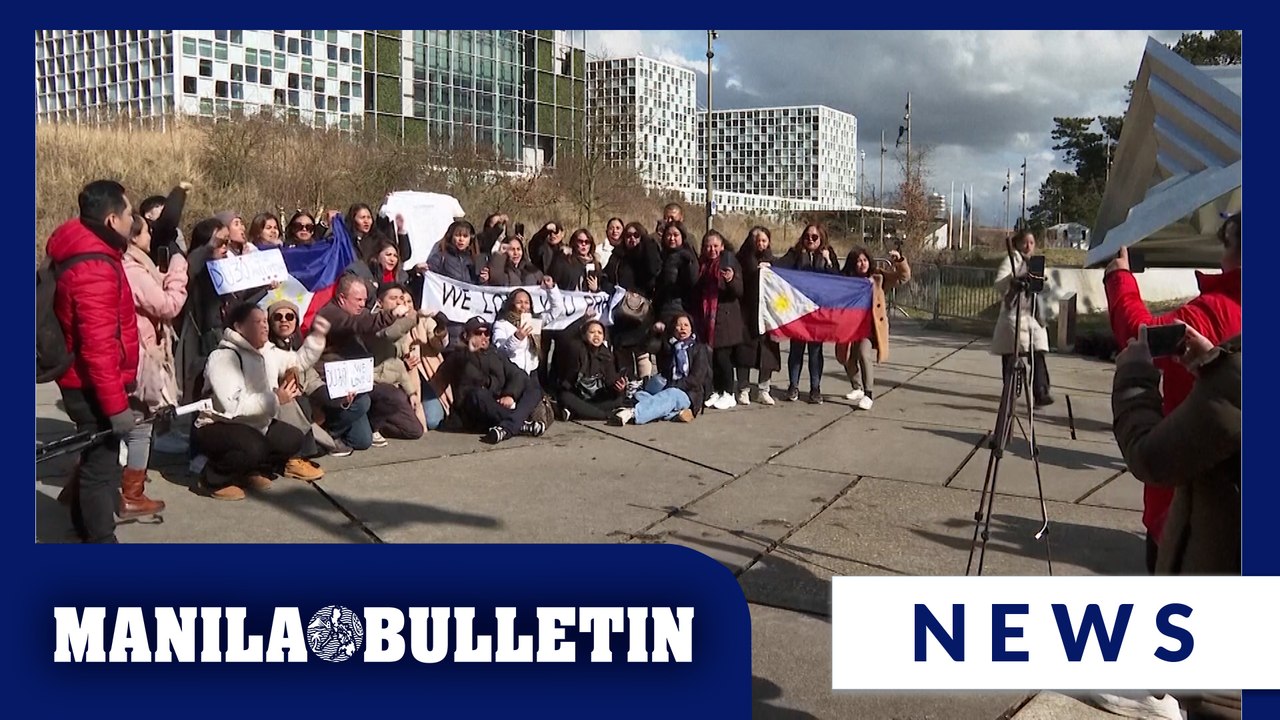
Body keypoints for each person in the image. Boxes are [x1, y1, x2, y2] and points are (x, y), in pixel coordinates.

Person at [1104, 212, 1242, 575]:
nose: (1220, 257)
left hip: (1194, 515)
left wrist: (1120, 278)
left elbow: (1142, 335)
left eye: (1227, 245)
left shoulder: (1213, 311)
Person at [47, 179, 140, 543]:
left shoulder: (83, 247)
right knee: (101, 469)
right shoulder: (95, 266)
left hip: (82, 381)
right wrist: (117, 407)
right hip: (91, 385)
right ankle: (101, 542)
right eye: (130, 214)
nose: (134, 221)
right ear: (112, 219)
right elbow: (98, 346)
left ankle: (81, 524)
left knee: (91, 458)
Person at [193, 303, 327, 499]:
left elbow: (297, 362)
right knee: (254, 447)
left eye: (265, 320)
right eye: (257, 322)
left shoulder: (267, 352)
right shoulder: (223, 357)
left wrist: (316, 339)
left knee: (291, 438)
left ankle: (247, 472)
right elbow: (233, 406)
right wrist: (275, 399)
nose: (265, 325)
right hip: (218, 425)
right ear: (239, 327)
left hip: (253, 425)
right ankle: (212, 479)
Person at [311, 275, 412, 453]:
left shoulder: (356, 311)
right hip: (329, 380)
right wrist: (391, 314)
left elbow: (378, 327)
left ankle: (359, 425)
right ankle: (327, 434)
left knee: (362, 440)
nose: (362, 305)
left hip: (356, 380)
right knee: (363, 402)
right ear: (342, 298)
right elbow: (358, 324)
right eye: (358, 300)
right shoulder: (330, 314)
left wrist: (412, 317)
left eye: (365, 300)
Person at [437, 316, 546, 444]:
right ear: (466, 335)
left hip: (500, 403)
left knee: (533, 387)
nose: (484, 337)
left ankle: (509, 426)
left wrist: (510, 394)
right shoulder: (459, 356)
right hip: (474, 411)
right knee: (478, 394)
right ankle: (519, 423)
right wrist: (469, 351)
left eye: (487, 333)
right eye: (478, 333)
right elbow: (473, 378)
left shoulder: (495, 353)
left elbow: (518, 375)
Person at [836, 246, 911, 411]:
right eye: (857, 261)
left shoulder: (878, 277)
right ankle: (857, 387)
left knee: (864, 354)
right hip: (849, 326)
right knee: (846, 357)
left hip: (869, 328)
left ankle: (868, 394)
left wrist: (899, 261)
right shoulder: (846, 279)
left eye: (864, 260)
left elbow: (903, 277)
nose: (861, 264)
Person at [777, 223, 840, 403]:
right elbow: (780, 265)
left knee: (815, 351)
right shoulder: (796, 253)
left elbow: (837, 278)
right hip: (799, 311)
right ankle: (793, 386)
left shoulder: (829, 254)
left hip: (818, 311)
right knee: (796, 349)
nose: (810, 240)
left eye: (814, 237)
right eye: (807, 237)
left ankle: (815, 388)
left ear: (821, 238)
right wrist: (768, 265)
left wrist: (828, 261)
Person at [610, 312, 710, 426]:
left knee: (671, 394)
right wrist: (654, 333)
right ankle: (675, 414)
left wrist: (673, 385)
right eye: (679, 325)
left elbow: (696, 379)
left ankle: (632, 413)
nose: (682, 328)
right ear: (673, 329)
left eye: (686, 325)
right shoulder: (670, 347)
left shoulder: (699, 349)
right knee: (641, 396)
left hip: (688, 393)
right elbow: (648, 347)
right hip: (666, 389)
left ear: (691, 329)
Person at [991, 230, 1053, 407]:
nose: (1028, 246)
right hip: (1013, 315)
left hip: (1033, 316)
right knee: (1011, 355)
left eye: (1031, 243)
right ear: (1018, 244)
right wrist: (1014, 280)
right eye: (1025, 243)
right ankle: (1011, 391)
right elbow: (999, 283)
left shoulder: (1037, 264)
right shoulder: (1011, 261)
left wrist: (1040, 281)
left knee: (1038, 352)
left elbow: (1047, 287)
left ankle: (1041, 392)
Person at [695, 230, 745, 410]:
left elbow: (739, 291)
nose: (712, 249)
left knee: (724, 358)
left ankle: (729, 393)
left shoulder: (729, 261)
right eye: (708, 246)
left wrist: (731, 280)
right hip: (707, 318)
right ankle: (717, 390)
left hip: (725, 318)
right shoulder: (702, 264)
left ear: (722, 246)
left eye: (715, 246)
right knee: (713, 358)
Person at [734, 226, 780, 405]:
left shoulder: (773, 261)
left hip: (768, 313)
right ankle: (743, 389)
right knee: (744, 353)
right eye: (757, 240)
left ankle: (764, 389)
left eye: (764, 240)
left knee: (767, 353)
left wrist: (771, 269)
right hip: (747, 312)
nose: (760, 244)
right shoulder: (742, 259)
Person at [555, 316, 629, 421]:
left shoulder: (606, 355)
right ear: (584, 335)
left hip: (595, 397)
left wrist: (620, 388)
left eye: (600, 333)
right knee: (565, 397)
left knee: (618, 400)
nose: (596, 335)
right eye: (592, 332)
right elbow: (568, 381)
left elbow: (610, 382)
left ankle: (576, 413)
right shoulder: (576, 349)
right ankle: (606, 416)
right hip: (577, 394)